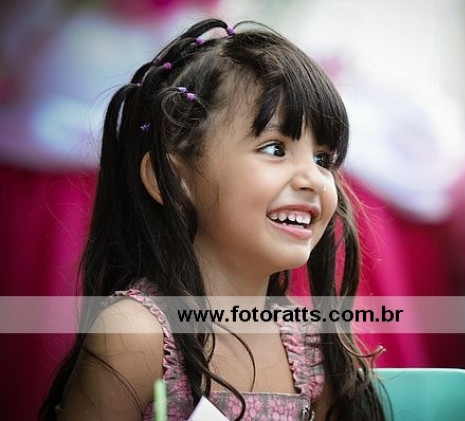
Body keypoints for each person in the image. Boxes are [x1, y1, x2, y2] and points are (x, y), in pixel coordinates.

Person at [39, 18, 385, 420]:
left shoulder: (314, 347)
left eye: (323, 159)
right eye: (275, 149)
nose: (313, 178)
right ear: (174, 180)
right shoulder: (136, 335)